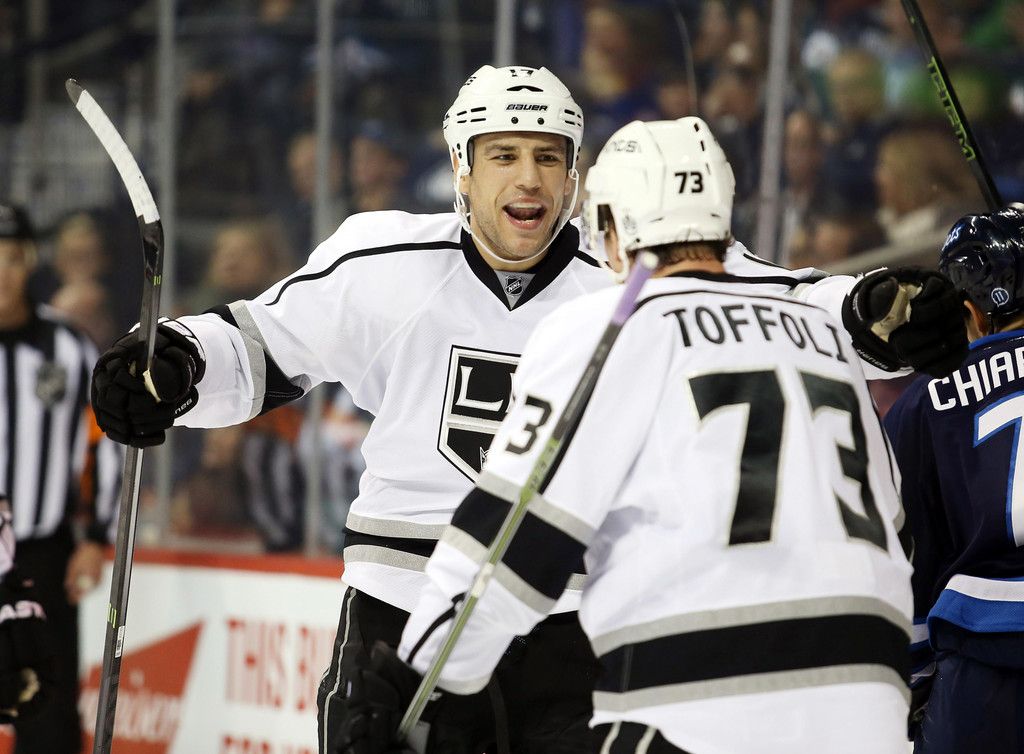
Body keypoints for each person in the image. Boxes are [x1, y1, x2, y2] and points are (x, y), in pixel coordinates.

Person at [90, 66, 964, 754]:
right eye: (503, 154)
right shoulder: (381, 260)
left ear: (577, 177)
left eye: (549, 156)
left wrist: (875, 310)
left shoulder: (627, 270)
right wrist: (173, 364)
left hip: (570, 620)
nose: (528, 176)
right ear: (461, 169)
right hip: (401, 606)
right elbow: (259, 346)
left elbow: (781, 298)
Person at [332, 117, 916, 754]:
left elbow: (515, 537)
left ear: (609, 224)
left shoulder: (608, 329)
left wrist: (418, 680)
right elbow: (897, 526)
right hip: (870, 696)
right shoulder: (823, 336)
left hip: (699, 696)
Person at [883, 206, 1024, 754]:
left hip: (984, 664)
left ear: (970, 313)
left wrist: (914, 680)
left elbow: (906, 558)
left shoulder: (922, 401)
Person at [0, 202, 121, 753]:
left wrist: (95, 538)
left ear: (30, 261)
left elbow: (106, 441)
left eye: (12, 258)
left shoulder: (67, 346)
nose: (2, 272)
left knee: (46, 711)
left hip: (40, 554)